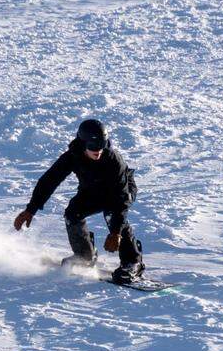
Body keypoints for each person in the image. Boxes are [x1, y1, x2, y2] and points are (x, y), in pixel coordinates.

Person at [12, 119, 144, 283]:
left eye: (102, 146)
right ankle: (85, 255)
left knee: (113, 214)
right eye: (93, 147)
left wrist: (116, 232)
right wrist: (30, 209)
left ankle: (133, 262)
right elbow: (49, 180)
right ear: (82, 144)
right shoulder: (72, 156)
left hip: (120, 191)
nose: (98, 151)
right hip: (92, 190)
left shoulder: (113, 160)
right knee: (72, 213)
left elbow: (121, 198)